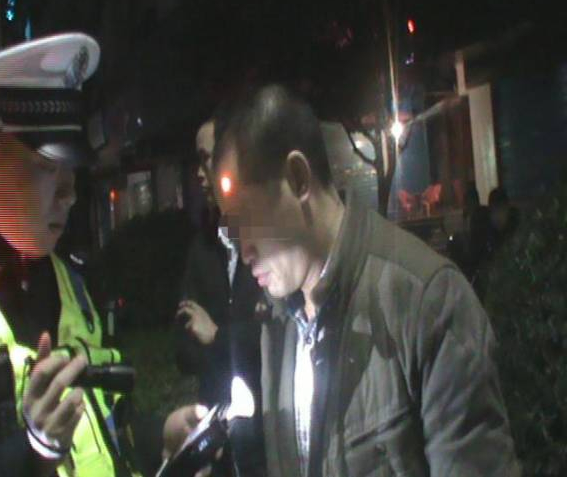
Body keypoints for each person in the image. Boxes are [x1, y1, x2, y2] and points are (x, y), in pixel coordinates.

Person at [164, 84, 520, 477]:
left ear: (298, 178)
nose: (241, 248)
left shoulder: (426, 302)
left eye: (246, 218)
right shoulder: (279, 315)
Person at [0, 34, 152, 477]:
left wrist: (159, 437)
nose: (69, 194)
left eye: (71, 170)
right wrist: (30, 453)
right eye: (48, 168)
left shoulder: (75, 284)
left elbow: (106, 432)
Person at [175, 115, 266, 476]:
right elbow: (183, 349)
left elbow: (275, 339)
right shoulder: (202, 248)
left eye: (206, 159)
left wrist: (217, 336)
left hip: (267, 440)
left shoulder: (269, 246)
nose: (199, 174)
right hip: (218, 442)